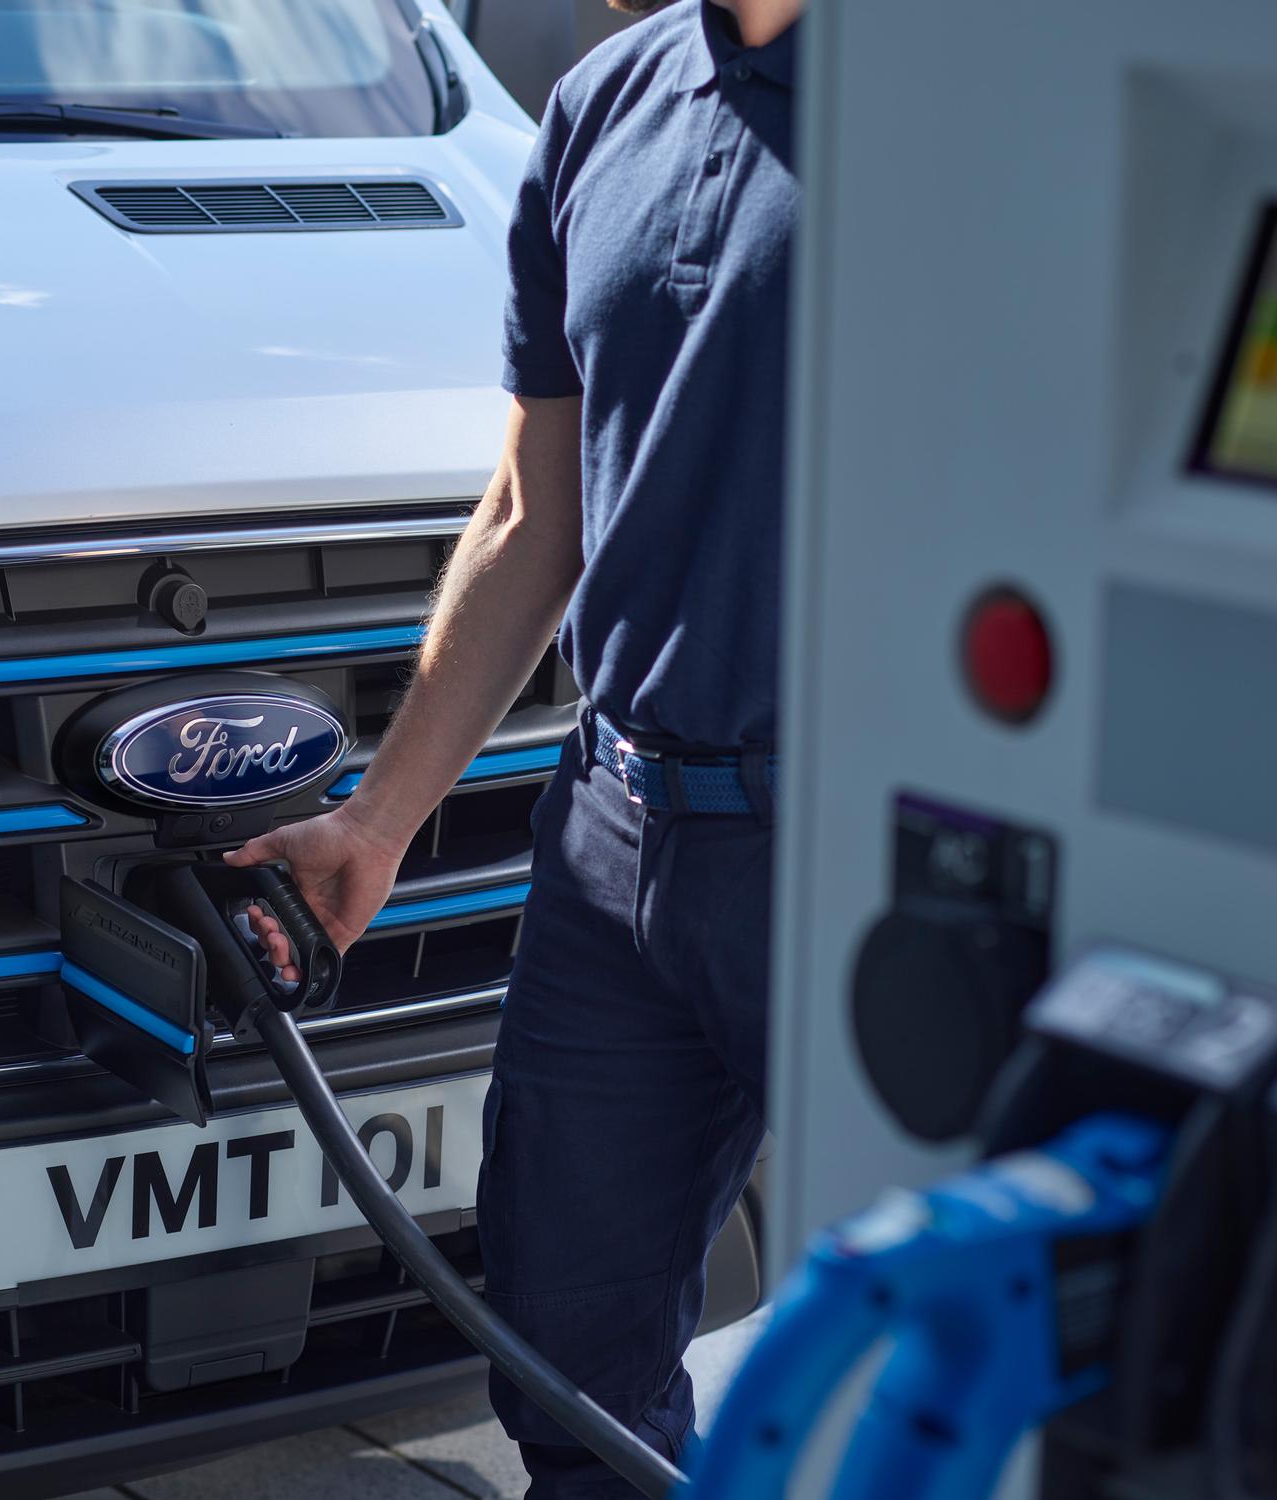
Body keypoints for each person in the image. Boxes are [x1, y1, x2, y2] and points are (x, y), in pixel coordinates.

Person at [232, 0, 801, 1491]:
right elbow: (528, 514)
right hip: (614, 838)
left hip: (849, 851)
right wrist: (376, 822)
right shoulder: (602, 100)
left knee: (903, 1362)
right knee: (564, 1356)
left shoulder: (965, 103)